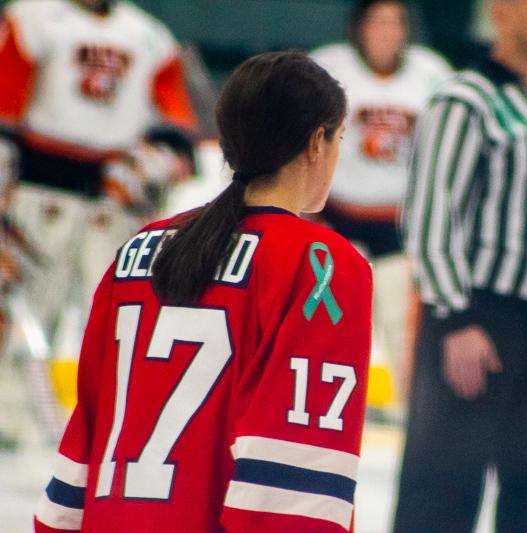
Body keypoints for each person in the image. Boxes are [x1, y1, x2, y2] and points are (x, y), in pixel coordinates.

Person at [33, 51, 373, 533]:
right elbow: (292, 475)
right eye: (339, 138)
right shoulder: (321, 264)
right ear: (317, 142)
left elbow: (86, 431)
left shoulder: (137, 250)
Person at [393, 0, 527, 531]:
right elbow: (431, 216)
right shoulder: (464, 101)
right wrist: (455, 319)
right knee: (443, 487)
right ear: (502, 12)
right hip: (480, 319)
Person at [0, 0, 197, 346]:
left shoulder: (150, 36)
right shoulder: (32, 16)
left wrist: (162, 160)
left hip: (114, 203)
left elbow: (177, 129)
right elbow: (5, 106)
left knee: (117, 325)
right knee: (22, 325)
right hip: (38, 195)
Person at [311, 0, 451, 403]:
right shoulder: (329, 66)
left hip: (400, 223)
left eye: (396, 22)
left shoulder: (432, 74)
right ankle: (322, 406)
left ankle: (415, 411)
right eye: (378, 22)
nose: (388, 31)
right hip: (336, 217)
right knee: (332, 322)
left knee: (401, 324)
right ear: (359, 27)